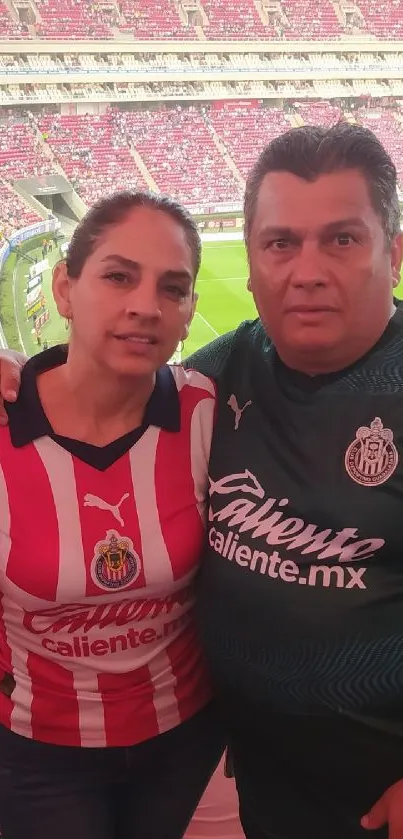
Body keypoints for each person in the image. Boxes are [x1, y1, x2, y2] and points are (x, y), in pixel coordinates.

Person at [3, 122, 403, 838]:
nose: (305, 270)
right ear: (250, 266)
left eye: (341, 239)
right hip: (257, 769)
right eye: (281, 242)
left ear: (393, 252)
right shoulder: (214, 382)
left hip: (380, 785)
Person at [0, 189, 224, 839]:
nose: (144, 306)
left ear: (188, 315)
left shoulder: (208, 410)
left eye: (173, 288)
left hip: (183, 740)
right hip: (37, 752)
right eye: (119, 275)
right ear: (66, 289)